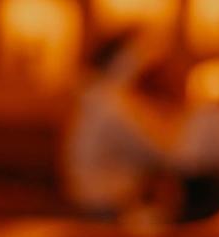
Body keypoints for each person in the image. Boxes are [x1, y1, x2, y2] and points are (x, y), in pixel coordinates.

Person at [62, 30, 185, 218]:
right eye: (140, 55)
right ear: (124, 60)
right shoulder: (111, 102)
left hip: (89, 197)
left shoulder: (96, 95)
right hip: (103, 204)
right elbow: (161, 151)